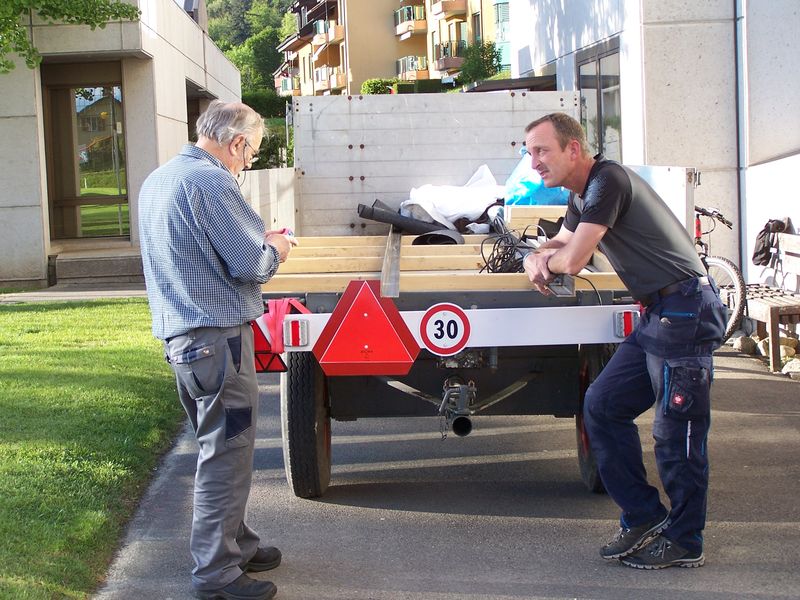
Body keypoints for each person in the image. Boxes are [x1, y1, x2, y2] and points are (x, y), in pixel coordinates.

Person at [521, 113, 727, 569]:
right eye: (529, 152)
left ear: (574, 149)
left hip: (686, 311)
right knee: (601, 405)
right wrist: (537, 255)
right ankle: (643, 515)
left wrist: (545, 262)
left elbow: (574, 258)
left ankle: (686, 541)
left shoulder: (607, 181)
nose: (533, 162)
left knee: (676, 434)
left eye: (542, 150)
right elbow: (561, 241)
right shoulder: (581, 194)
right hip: (659, 313)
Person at [138, 100, 297, 600]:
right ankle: (217, 575)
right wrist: (277, 246)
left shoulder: (160, 179)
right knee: (226, 455)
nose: (248, 161)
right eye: (251, 152)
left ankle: (236, 544)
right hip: (217, 342)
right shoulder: (211, 181)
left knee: (222, 447)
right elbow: (252, 264)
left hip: (187, 342)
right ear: (236, 142)